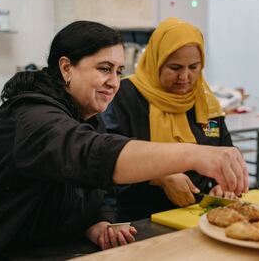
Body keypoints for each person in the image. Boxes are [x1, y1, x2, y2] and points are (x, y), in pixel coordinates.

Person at [0, 20, 248, 260]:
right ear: (66, 67)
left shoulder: (83, 116)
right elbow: (94, 155)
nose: (114, 82)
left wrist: (95, 223)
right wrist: (194, 155)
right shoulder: (33, 116)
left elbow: (84, 188)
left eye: (119, 71)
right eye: (103, 68)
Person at [104, 17, 248, 221]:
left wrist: (222, 186)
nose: (185, 77)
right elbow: (107, 159)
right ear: (156, 62)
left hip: (196, 215)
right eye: (175, 67)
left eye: (194, 67)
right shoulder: (125, 96)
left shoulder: (204, 101)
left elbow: (224, 151)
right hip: (138, 218)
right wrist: (160, 176)